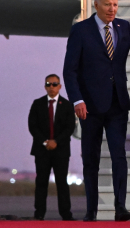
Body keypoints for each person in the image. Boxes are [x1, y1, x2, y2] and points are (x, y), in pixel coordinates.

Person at [63, 0, 130, 221]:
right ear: (96, 4)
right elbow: (70, 70)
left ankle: (121, 207)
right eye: (108, 4)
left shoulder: (123, 27)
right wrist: (77, 99)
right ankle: (91, 211)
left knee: (119, 156)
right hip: (89, 107)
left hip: (117, 104)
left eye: (116, 4)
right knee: (91, 160)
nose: (112, 9)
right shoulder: (80, 31)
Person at [28, 74, 76, 221]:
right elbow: (32, 126)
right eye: (48, 84)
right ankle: (39, 213)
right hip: (42, 150)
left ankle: (66, 214)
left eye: (54, 84)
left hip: (61, 150)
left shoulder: (67, 105)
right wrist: (45, 142)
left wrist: (56, 141)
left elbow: (70, 127)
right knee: (41, 182)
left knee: (62, 182)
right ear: (45, 86)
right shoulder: (37, 104)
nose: (51, 87)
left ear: (60, 86)